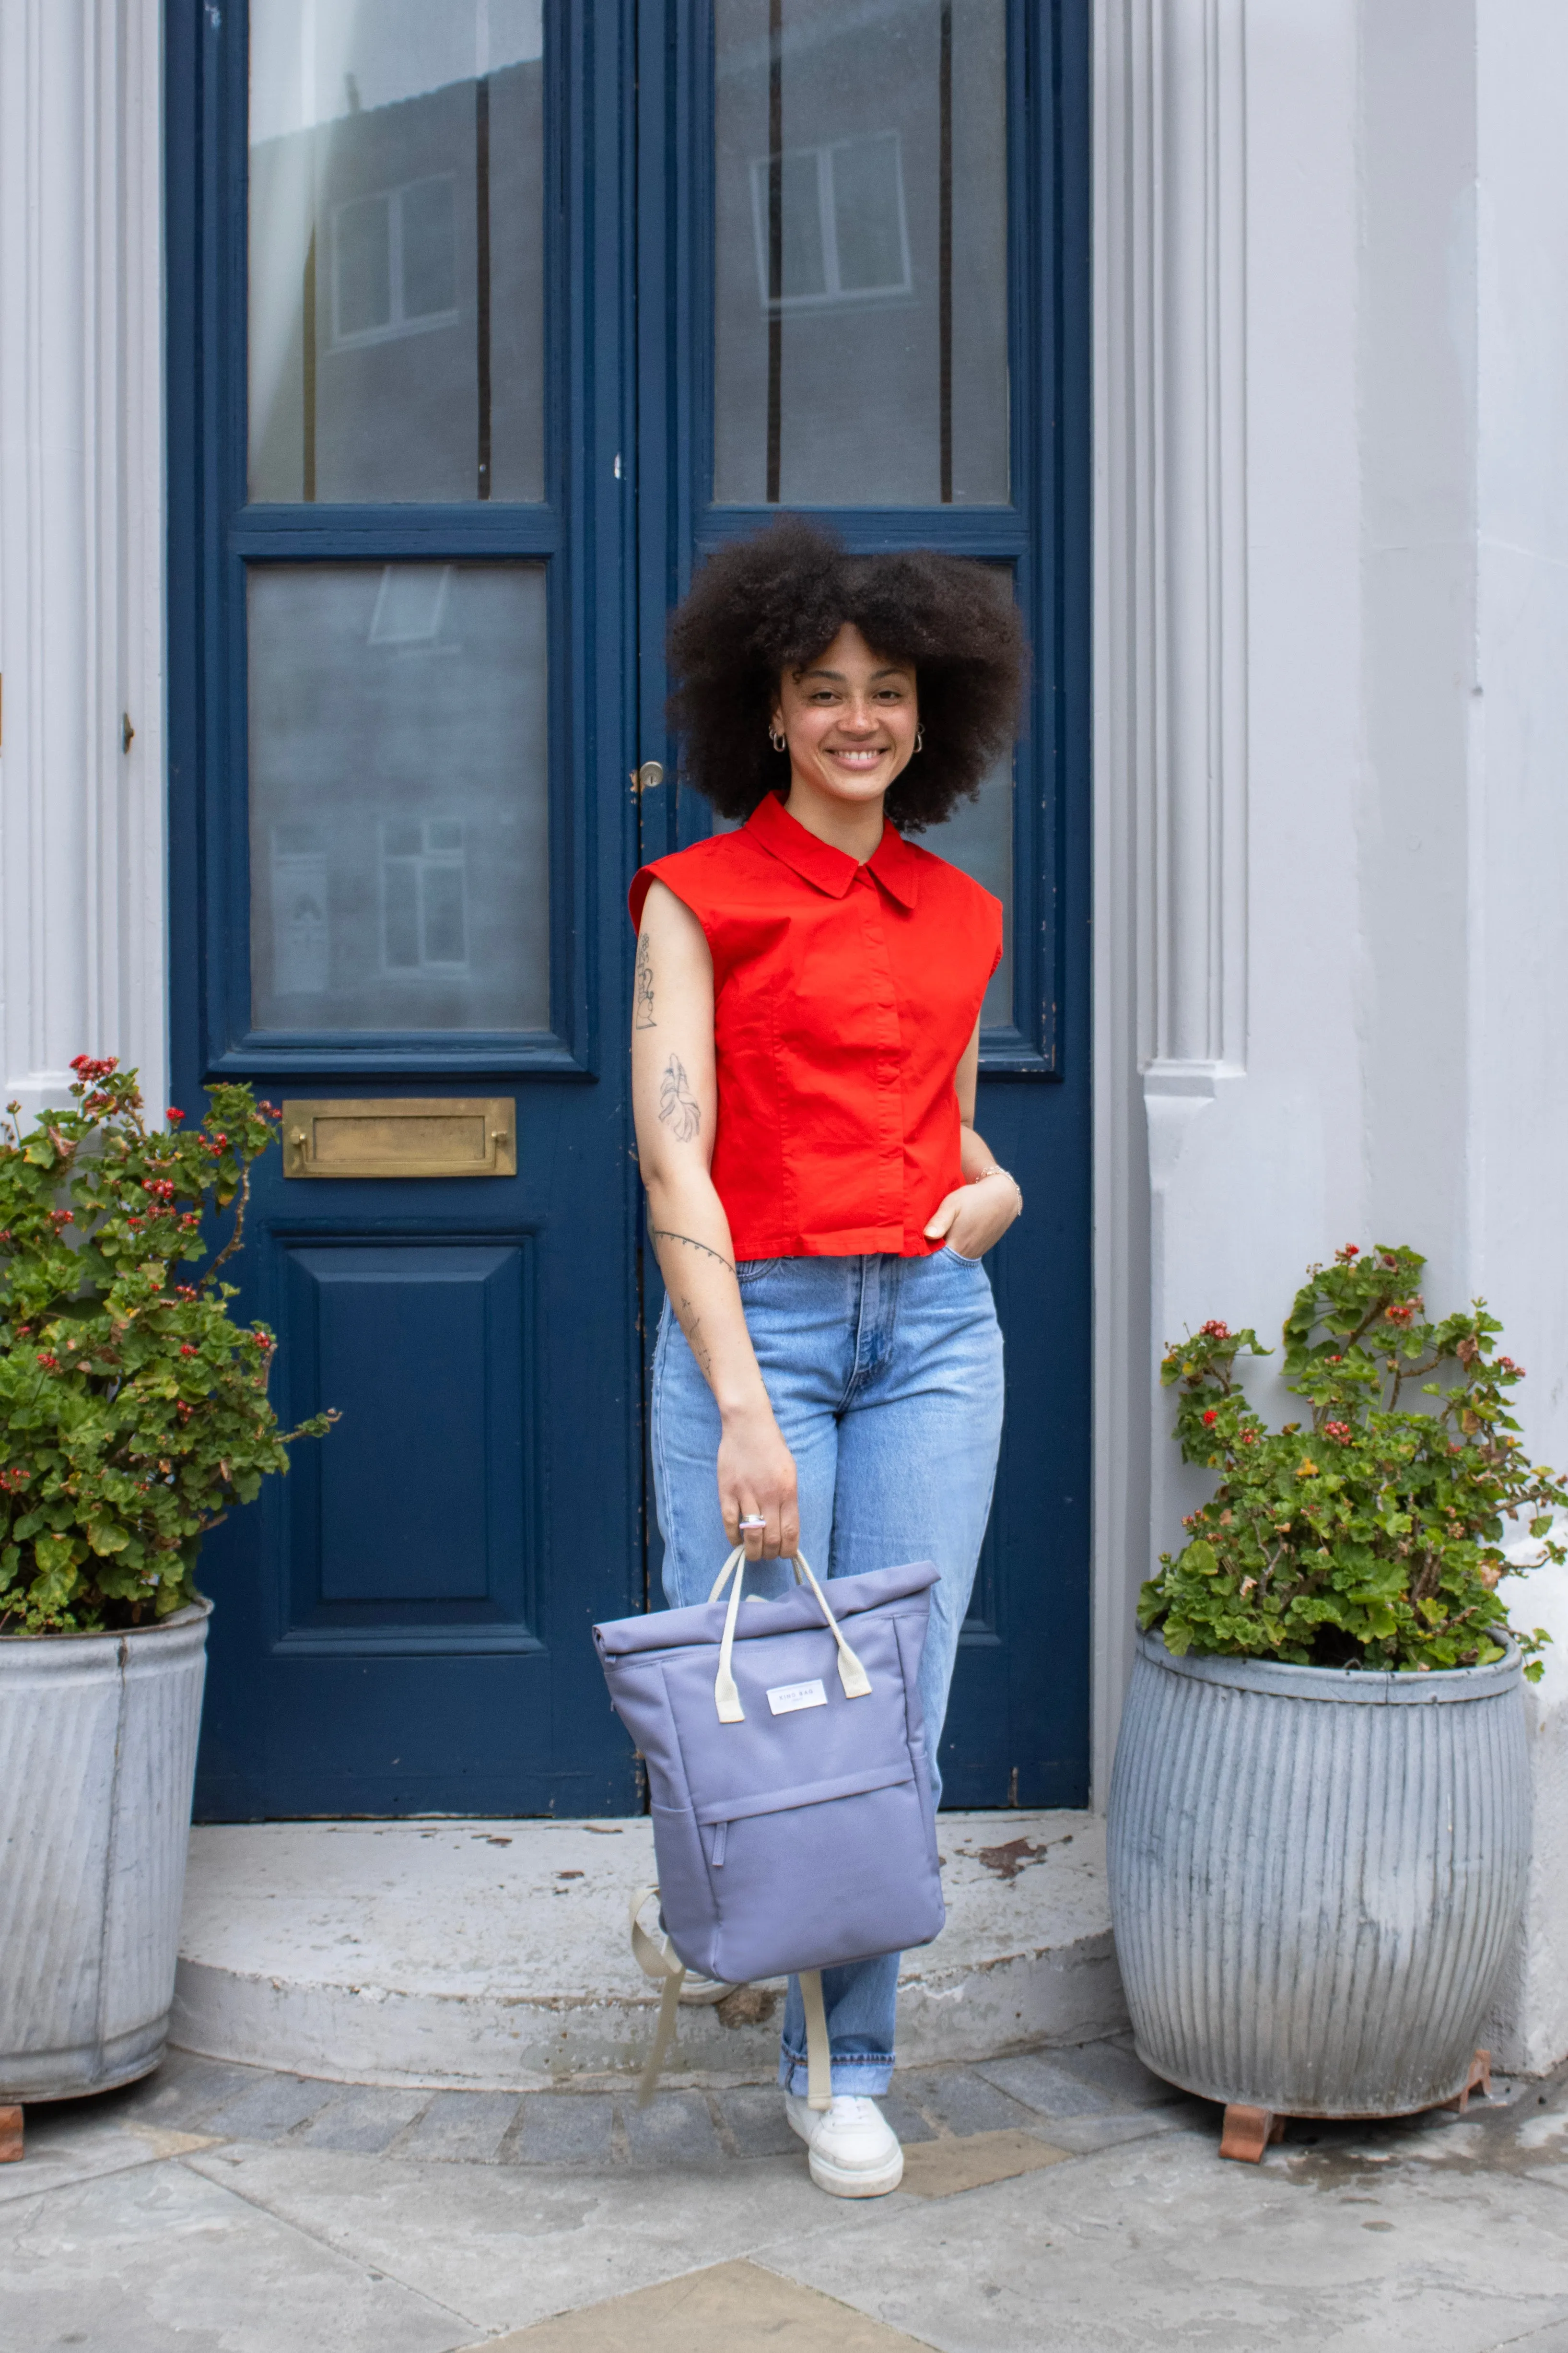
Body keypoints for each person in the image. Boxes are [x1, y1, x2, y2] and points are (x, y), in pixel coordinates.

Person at [629, 518, 1025, 2198]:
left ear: (929, 717)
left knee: (892, 1729)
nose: (856, 718)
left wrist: (996, 1190)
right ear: (767, 714)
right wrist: (737, 1403)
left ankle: (841, 2064)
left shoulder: (961, 911)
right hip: (763, 1323)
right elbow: (672, 1157)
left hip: (933, 1328)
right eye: (820, 692)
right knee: (762, 1718)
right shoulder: (697, 898)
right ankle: (728, 1906)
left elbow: (954, 1129)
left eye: (886, 691)